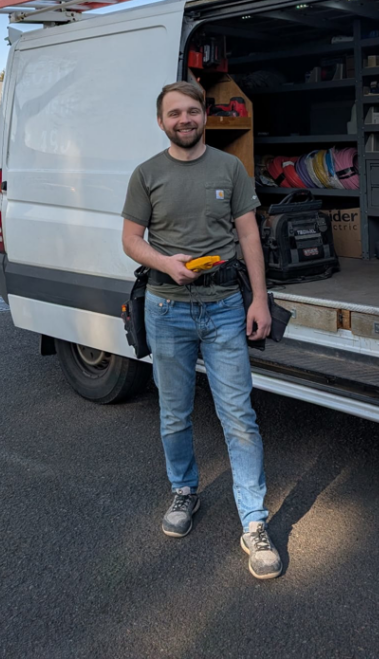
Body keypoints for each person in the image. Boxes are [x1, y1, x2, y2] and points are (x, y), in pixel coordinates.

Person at [121, 80, 283, 580]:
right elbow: (131, 240)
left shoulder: (229, 168)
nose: (184, 119)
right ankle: (184, 490)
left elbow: (249, 233)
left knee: (238, 415)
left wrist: (259, 298)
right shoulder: (146, 174)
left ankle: (254, 522)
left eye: (192, 111)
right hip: (167, 309)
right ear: (161, 120)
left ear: (205, 116)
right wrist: (165, 264)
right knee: (174, 413)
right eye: (175, 113)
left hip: (224, 308)